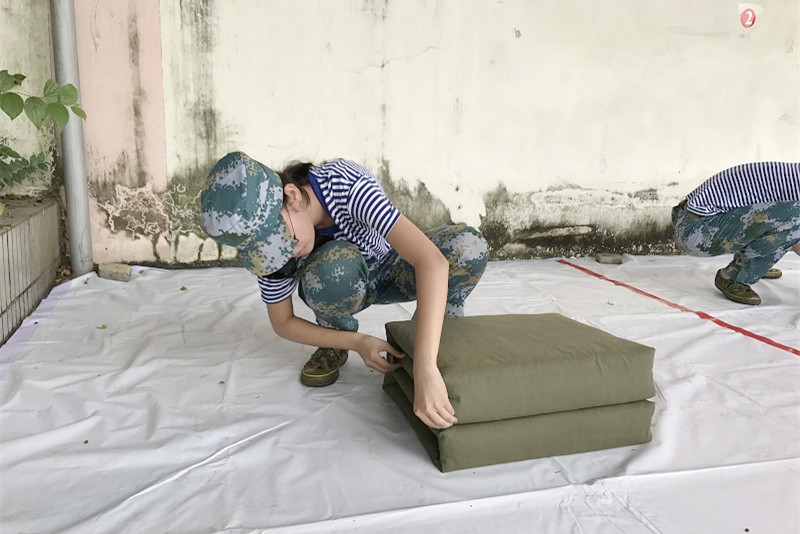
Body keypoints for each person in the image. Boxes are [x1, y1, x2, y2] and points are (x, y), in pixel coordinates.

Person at [200, 152, 488, 429]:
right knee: (330, 267)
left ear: (293, 195)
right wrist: (357, 342)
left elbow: (431, 262)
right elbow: (282, 322)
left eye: (286, 240)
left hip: (391, 263)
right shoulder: (270, 249)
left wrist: (424, 367)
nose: (286, 254)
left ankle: (432, 333)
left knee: (468, 247)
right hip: (338, 280)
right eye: (271, 253)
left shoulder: (345, 184)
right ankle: (333, 341)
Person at [672, 161, 800, 305]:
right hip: (695, 231)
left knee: (788, 222)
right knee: (795, 216)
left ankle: (756, 266)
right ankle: (733, 277)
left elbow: (792, 236)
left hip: (695, 222)